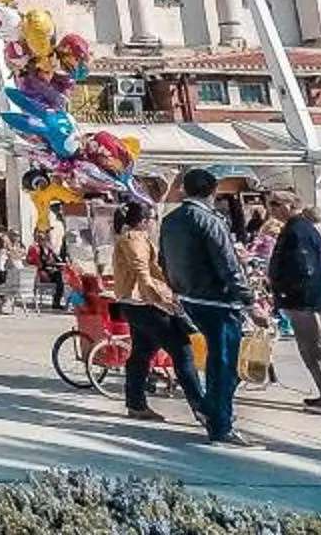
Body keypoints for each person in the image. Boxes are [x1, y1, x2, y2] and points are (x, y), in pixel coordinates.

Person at [156, 168, 257, 447]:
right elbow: (228, 265)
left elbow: (162, 259)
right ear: (213, 191)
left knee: (215, 360)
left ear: (186, 190)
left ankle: (214, 412)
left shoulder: (171, 219)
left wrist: (176, 287)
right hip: (218, 300)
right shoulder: (210, 220)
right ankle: (220, 425)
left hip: (189, 298)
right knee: (224, 364)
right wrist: (249, 301)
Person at [264, 190, 321, 417]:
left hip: (308, 301)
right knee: (311, 349)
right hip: (305, 300)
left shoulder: (298, 231)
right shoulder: (297, 228)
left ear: (290, 205)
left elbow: (304, 267)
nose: (270, 209)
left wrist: (286, 290)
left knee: (319, 348)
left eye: (274, 204)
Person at [107, 199, 189, 423]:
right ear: (144, 221)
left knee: (143, 352)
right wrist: (164, 300)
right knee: (180, 348)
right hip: (140, 303)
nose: (155, 223)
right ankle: (200, 404)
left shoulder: (138, 239)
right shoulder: (134, 240)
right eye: (153, 219)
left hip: (135, 302)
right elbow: (143, 275)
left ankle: (136, 403)